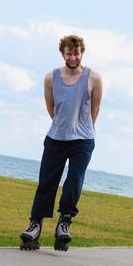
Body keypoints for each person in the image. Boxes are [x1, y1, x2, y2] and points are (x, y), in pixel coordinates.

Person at [19, 35, 103, 252]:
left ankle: (64, 222)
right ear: (63, 54)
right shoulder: (50, 78)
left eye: (76, 53)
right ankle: (35, 225)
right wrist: (63, 126)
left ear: (82, 52)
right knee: (47, 181)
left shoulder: (94, 78)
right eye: (69, 54)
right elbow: (52, 107)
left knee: (74, 180)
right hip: (56, 137)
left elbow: (95, 109)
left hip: (83, 140)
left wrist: (82, 129)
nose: (73, 57)